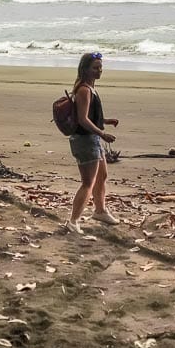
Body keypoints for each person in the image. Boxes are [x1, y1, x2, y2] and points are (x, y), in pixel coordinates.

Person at [65, 51, 119, 233]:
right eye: (95, 68)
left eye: (100, 68)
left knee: (102, 176)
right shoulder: (83, 90)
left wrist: (106, 121)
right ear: (85, 69)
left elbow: (90, 116)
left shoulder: (90, 88)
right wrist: (102, 133)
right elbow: (82, 119)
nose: (99, 71)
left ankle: (100, 210)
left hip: (92, 138)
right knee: (88, 182)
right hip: (85, 140)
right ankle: (73, 221)